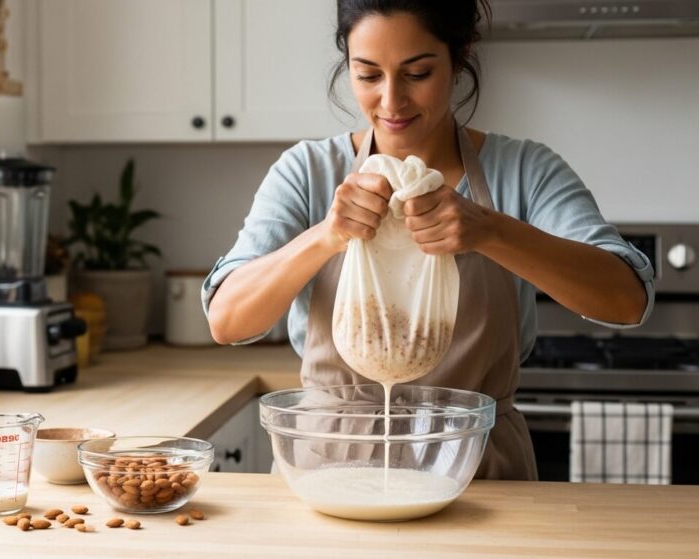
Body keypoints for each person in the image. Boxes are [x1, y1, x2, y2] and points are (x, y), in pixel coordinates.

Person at [202, 0, 653, 480]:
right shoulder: (308, 172)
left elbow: (625, 300)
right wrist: (326, 236)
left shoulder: (524, 171)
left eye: (417, 73)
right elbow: (228, 320)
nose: (392, 102)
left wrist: (491, 230)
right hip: (329, 470)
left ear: (460, 58)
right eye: (368, 75)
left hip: (477, 473)